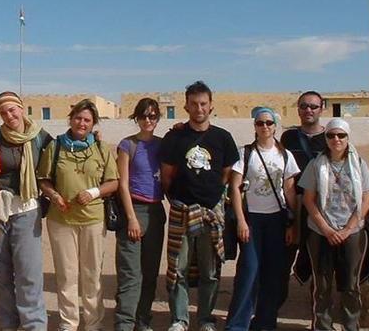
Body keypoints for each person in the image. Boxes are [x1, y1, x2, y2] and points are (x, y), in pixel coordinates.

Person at [158, 81, 240, 331]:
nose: (199, 108)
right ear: (186, 105)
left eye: (203, 103)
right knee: (177, 268)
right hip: (182, 209)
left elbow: (227, 173)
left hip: (211, 211)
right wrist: (179, 200)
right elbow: (167, 176)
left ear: (211, 105)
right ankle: (179, 319)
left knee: (210, 270)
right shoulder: (174, 137)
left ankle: (205, 318)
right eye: (193, 104)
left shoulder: (223, 138)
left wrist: (211, 197)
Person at [37, 99, 118, 331]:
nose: (82, 123)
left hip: (93, 219)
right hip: (61, 220)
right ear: (70, 119)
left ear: (93, 124)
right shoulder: (56, 146)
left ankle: (93, 324)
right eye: (78, 118)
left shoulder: (101, 148)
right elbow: (43, 179)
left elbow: (113, 182)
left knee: (92, 275)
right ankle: (68, 323)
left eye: (87, 120)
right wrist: (54, 196)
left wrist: (93, 192)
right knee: (66, 274)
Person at [225, 107, 300, 331]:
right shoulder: (245, 153)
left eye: (268, 123)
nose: (264, 127)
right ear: (255, 127)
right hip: (252, 220)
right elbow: (235, 189)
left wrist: (292, 223)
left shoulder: (285, 155)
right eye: (260, 123)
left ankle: (265, 323)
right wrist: (240, 220)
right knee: (248, 271)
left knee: (273, 274)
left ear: (276, 126)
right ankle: (237, 325)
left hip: (276, 221)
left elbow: (289, 190)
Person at [297, 118, 369, 331]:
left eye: (341, 135)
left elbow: (367, 198)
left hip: (353, 232)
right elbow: (308, 199)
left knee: (351, 285)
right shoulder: (316, 164)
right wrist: (327, 229)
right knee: (322, 285)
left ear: (348, 138)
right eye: (331, 135)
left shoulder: (358, 164)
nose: (336, 139)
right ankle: (322, 326)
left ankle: (351, 326)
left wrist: (348, 229)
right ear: (326, 138)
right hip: (320, 232)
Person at [0, 92, 52, 331]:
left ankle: (34, 325)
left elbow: (59, 164)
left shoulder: (41, 139)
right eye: (3, 112)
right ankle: (9, 324)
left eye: (12, 110)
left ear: (22, 108)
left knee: (28, 272)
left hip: (28, 209)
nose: (9, 115)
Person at [114, 98, 165, 331]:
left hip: (156, 212)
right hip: (134, 211)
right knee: (130, 275)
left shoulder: (164, 145)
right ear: (136, 118)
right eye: (144, 116)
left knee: (150, 273)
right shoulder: (127, 145)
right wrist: (132, 217)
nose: (148, 120)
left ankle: (142, 321)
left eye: (153, 116)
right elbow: (122, 184)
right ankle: (124, 324)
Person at [279, 91, 327, 289]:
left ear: (322, 109)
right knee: (283, 257)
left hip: (320, 206)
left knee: (319, 260)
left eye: (313, 106)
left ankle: (319, 310)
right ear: (298, 109)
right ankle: (273, 307)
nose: (308, 110)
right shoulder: (288, 137)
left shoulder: (331, 136)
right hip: (294, 203)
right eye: (304, 106)